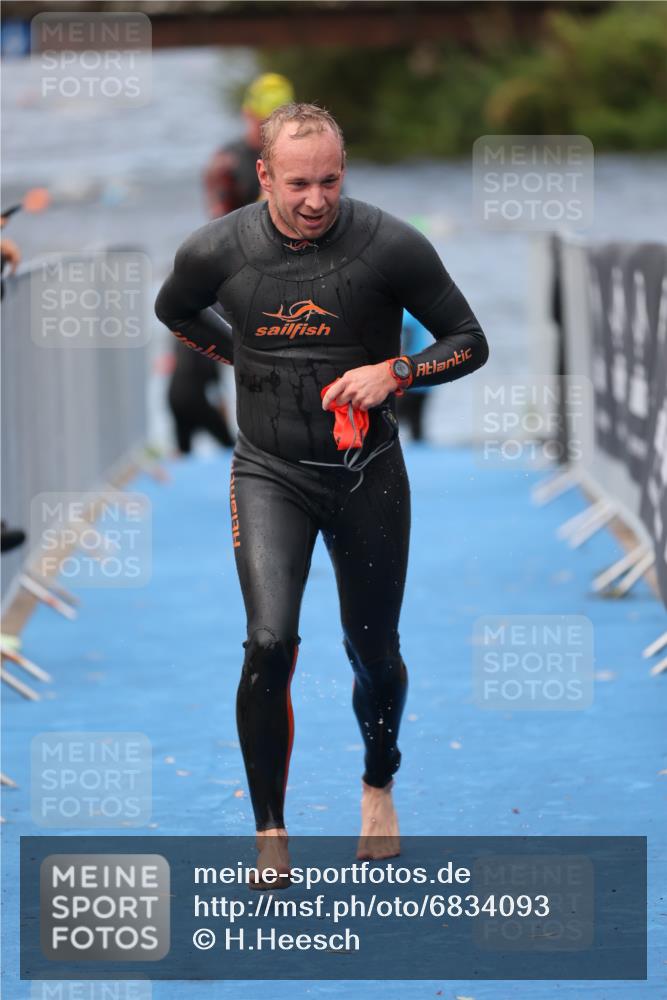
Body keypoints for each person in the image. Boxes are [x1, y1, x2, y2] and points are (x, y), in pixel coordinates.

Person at [155, 103, 489, 886]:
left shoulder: (389, 244)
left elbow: (468, 341)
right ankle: (270, 830)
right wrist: (240, 354)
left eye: (330, 181)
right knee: (269, 642)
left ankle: (378, 782)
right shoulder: (216, 248)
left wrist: (396, 371)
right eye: (298, 183)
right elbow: (173, 309)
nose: (315, 200)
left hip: (366, 474)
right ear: (263, 175)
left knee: (374, 653)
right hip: (268, 471)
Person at [165, 74, 296, 455]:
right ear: (248, 115)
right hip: (229, 281)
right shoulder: (227, 162)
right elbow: (220, 232)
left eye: (281, 123)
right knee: (182, 394)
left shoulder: (309, 159)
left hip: (291, 284)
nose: (272, 132)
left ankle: (276, 453)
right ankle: (211, 453)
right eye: (264, 123)